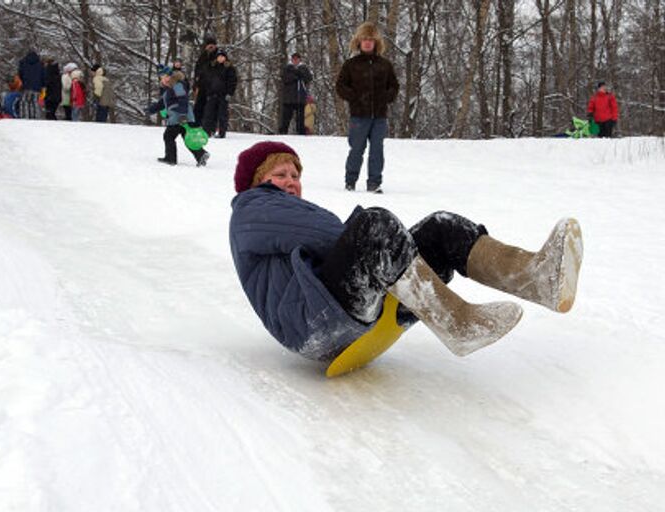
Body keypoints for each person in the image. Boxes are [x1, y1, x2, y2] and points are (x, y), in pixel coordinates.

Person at [229, 141, 584, 362]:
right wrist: (379, 243)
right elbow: (330, 236)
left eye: (295, 173)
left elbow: (332, 243)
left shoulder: (273, 209)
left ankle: (538, 279)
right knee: (374, 226)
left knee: (440, 228)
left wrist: (390, 249)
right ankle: (456, 323)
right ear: (256, 181)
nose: (292, 180)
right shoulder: (251, 207)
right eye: (280, 174)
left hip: (346, 308)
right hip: (314, 324)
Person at [336, 22, 399, 193]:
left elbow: (394, 86)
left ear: (376, 42)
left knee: (377, 151)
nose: (368, 42)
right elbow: (340, 86)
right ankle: (350, 181)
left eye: (371, 39)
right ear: (359, 41)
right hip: (358, 116)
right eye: (364, 39)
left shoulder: (385, 65)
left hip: (379, 116)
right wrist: (355, 97)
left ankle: (374, 183)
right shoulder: (351, 64)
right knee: (356, 150)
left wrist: (386, 97)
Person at [148, 69, 209, 167]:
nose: (165, 80)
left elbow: (183, 99)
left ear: (171, 76)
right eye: (162, 78)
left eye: (167, 77)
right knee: (187, 137)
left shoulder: (177, 85)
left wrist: (182, 115)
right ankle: (200, 154)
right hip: (179, 117)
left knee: (168, 136)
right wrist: (150, 110)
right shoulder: (168, 90)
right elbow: (161, 104)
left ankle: (170, 158)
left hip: (179, 116)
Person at [201, 48, 237, 138]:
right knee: (208, 114)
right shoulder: (211, 67)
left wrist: (229, 93)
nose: (220, 58)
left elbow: (232, 82)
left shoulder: (229, 68)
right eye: (219, 57)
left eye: (222, 57)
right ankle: (207, 132)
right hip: (212, 94)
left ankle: (221, 133)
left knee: (222, 115)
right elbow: (207, 80)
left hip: (223, 95)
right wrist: (208, 92)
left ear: (225, 58)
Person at [279, 52, 312, 135]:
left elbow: (308, 78)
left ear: (300, 59)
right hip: (289, 98)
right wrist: (296, 77)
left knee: (300, 117)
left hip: (300, 97)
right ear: (291, 59)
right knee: (286, 117)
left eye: (297, 59)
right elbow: (285, 78)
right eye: (294, 59)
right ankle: (283, 132)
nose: (295, 60)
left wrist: (300, 75)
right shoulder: (287, 68)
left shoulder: (304, 68)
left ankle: (300, 132)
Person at [193, 35, 218, 124]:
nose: (210, 47)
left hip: (213, 87)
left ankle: (211, 127)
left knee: (211, 108)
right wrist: (195, 85)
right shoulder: (202, 57)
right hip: (202, 86)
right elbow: (197, 71)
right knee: (198, 106)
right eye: (209, 45)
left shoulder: (219, 56)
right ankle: (196, 125)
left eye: (212, 45)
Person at [18, 50, 44, 119]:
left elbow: (20, 74)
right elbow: (44, 76)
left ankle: (25, 116)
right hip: (37, 87)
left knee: (25, 102)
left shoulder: (23, 63)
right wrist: (42, 86)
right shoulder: (40, 64)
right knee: (35, 103)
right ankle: (35, 117)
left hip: (26, 86)